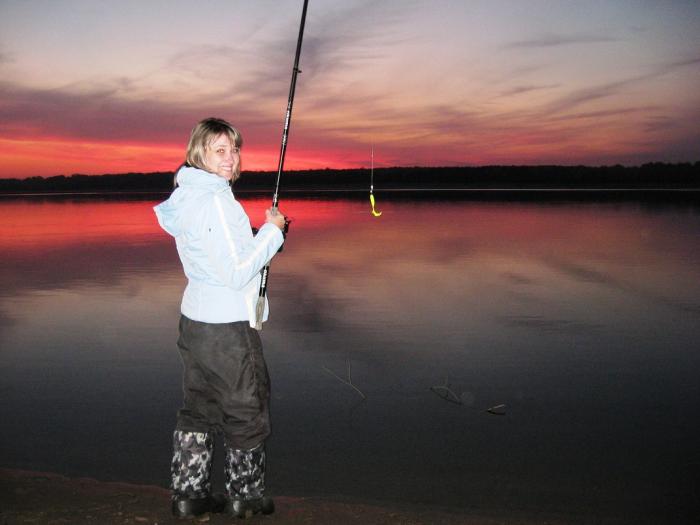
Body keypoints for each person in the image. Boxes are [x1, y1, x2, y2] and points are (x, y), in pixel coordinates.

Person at [153, 117, 286, 518]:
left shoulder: (188, 196)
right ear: (200, 153)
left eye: (234, 149)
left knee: (199, 406)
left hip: (194, 322)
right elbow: (236, 270)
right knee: (247, 407)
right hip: (227, 328)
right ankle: (245, 496)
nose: (231, 159)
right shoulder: (215, 200)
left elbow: (218, 257)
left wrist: (262, 239)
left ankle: (188, 495)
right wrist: (273, 231)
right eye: (220, 150)